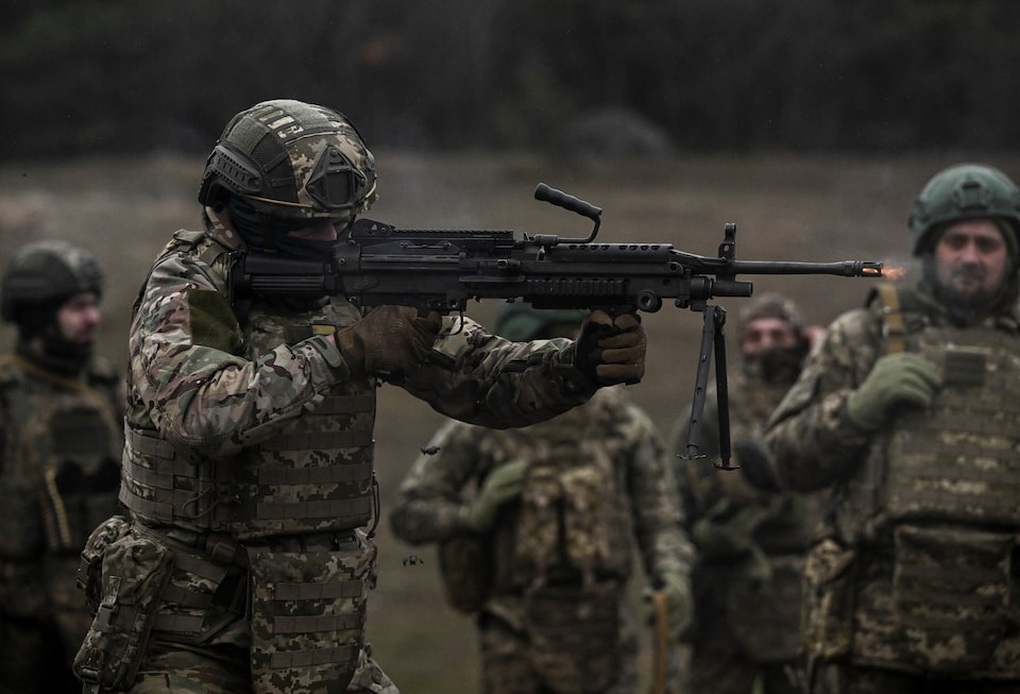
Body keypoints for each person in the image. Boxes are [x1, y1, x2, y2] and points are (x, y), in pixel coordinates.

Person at [72, 99, 648, 694]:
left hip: (317, 639)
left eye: (340, 221)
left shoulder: (358, 275)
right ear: (247, 210)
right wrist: (344, 351)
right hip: (188, 639)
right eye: (310, 225)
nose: (330, 237)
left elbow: (482, 377)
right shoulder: (192, 284)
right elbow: (198, 411)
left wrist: (577, 365)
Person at [741, 163, 1020, 692]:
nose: (969, 257)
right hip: (871, 649)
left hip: (1003, 653)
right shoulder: (865, 337)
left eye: (987, 244)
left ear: (1011, 254)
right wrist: (856, 410)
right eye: (955, 240)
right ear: (929, 247)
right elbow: (779, 462)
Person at [388, 302, 694, 694]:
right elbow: (408, 512)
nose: (561, 353)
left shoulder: (621, 425)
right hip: (515, 639)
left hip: (604, 639)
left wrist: (672, 573)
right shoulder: (482, 425)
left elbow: (660, 517)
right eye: (551, 342)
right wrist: (472, 515)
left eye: (573, 343)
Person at [669, 293, 823, 694]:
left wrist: (822, 360)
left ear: (798, 339)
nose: (767, 343)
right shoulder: (714, 406)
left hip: (804, 585)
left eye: (778, 333)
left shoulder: (820, 403)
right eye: (754, 335)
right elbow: (681, 491)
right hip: (726, 585)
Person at [0, 240, 123, 692]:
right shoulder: (8, 396)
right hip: (20, 621)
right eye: (77, 307)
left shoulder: (108, 386)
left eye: (93, 305)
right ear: (37, 316)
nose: (92, 318)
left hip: (99, 609)